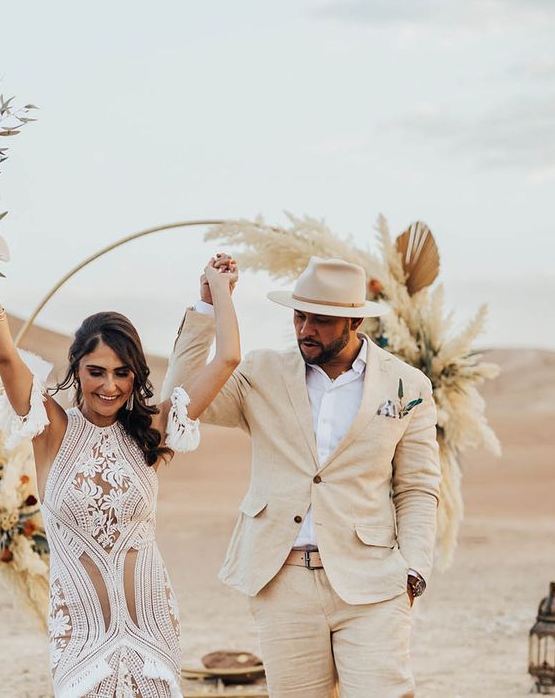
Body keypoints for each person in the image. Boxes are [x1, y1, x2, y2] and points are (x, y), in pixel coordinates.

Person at [162, 256, 441, 697]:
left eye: (321, 320)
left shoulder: (406, 386)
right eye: (299, 315)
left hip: (372, 582)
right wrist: (207, 309)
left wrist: (414, 571)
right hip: (283, 578)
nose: (305, 328)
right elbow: (180, 399)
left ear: (352, 322)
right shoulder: (260, 372)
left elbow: (418, 488)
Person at [0, 256, 240, 698]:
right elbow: (4, 353)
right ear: (76, 368)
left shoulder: (150, 431)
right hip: (78, 635)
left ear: (135, 374)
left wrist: (220, 291)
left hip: (152, 628)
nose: (110, 386)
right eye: (96, 371)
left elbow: (229, 357)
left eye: (122, 373)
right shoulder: (50, 429)